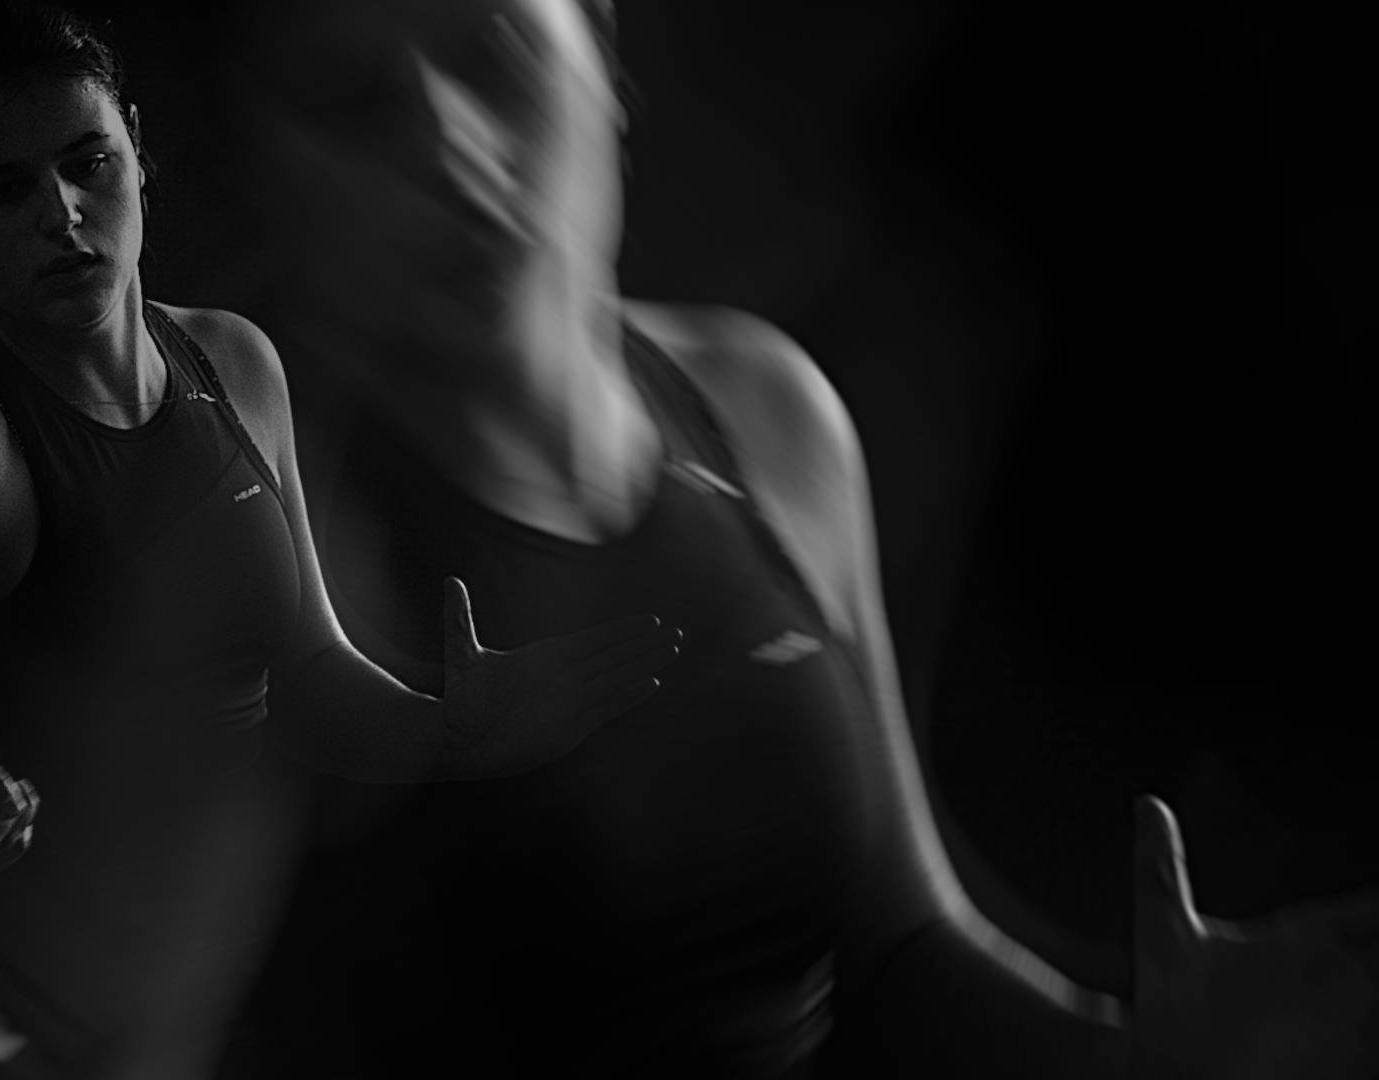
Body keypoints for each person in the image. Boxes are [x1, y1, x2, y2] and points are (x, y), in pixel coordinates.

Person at [220, 1, 1379, 1076]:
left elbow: (901, 951)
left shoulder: (763, 410)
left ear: (600, 54)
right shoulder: (261, 542)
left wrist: (1165, 1050)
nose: (449, 144)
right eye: (351, 101)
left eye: (492, 53)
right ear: (273, 166)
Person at [0, 3, 682, 1078]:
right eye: (3, 188)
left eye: (88, 164)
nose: (62, 214)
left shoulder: (238, 364)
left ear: (136, 154)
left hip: (199, 1023)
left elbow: (314, 680)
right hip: (19, 1035)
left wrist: (455, 720)